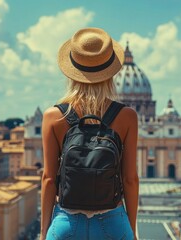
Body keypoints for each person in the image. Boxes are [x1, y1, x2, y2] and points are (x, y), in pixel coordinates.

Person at [40, 27, 139, 240]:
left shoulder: (52, 116)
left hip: (65, 223)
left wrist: (43, 233)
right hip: (113, 224)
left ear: (71, 71)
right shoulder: (127, 116)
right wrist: (131, 229)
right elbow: (130, 179)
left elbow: (48, 179)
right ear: (111, 73)